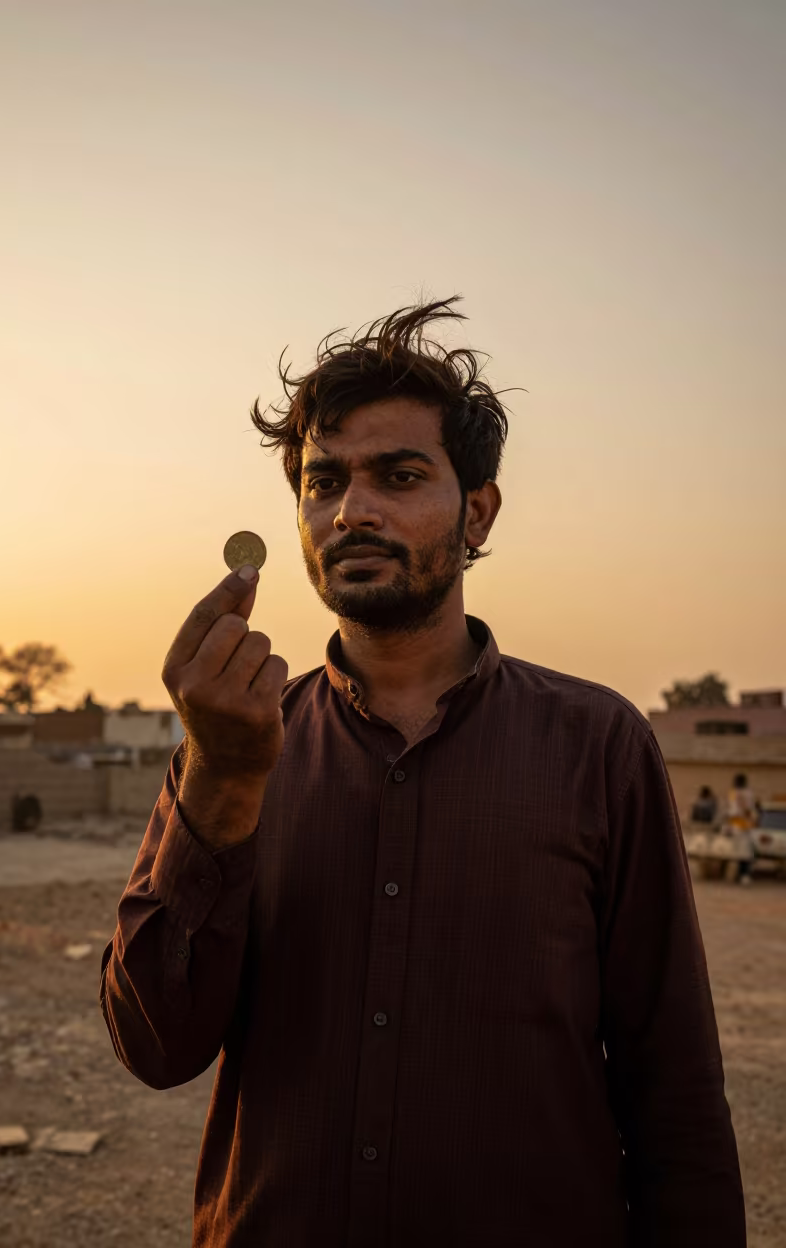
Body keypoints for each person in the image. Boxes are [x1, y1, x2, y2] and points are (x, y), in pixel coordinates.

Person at [100, 298, 745, 1247]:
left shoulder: (600, 745)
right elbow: (157, 1047)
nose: (353, 509)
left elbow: (675, 1083)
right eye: (325, 483)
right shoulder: (231, 744)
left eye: (399, 476)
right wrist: (223, 783)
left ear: (477, 510)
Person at [726, 772, 757, 886]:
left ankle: (741, 875)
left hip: (737, 826)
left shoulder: (733, 793)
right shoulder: (745, 794)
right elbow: (748, 810)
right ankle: (743, 875)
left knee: (742, 852)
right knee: (745, 853)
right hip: (743, 826)